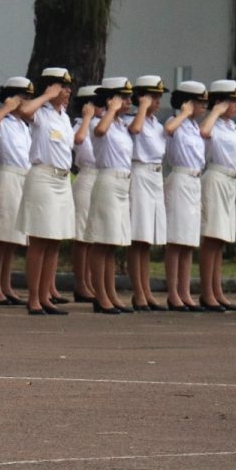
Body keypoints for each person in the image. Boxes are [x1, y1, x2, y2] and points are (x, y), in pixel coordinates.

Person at [16, 67, 75, 316]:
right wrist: (45, 96)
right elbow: (24, 111)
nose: (68, 91)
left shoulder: (63, 117)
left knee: (54, 240)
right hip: (43, 177)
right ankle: (33, 298)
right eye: (62, 86)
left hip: (62, 181)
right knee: (39, 240)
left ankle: (45, 295)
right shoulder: (41, 112)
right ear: (51, 88)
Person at [85, 77, 134, 314]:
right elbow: (100, 131)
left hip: (123, 183)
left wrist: (116, 113)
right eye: (123, 97)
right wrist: (111, 110)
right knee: (101, 241)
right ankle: (100, 295)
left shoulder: (122, 126)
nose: (128, 102)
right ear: (111, 99)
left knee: (113, 242)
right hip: (107, 181)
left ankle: (111, 292)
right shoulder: (99, 121)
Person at [199, 80, 236, 312]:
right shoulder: (213, 124)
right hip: (215, 177)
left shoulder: (231, 127)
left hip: (229, 181)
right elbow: (204, 132)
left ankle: (217, 290)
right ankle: (207, 293)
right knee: (212, 237)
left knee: (220, 240)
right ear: (220, 103)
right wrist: (215, 110)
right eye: (232, 101)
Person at [163, 80, 207, 311]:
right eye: (200, 102)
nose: (204, 107)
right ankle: (173, 293)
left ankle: (185, 291)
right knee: (176, 241)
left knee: (188, 241)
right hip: (179, 179)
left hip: (194, 180)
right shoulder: (175, 122)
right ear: (188, 103)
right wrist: (184, 113)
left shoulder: (193, 127)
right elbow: (168, 131)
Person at [0, 76, 32, 306]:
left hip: (23, 179)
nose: (27, 102)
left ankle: (6, 284)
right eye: (23, 97)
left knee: (14, 238)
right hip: (8, 177)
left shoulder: (24, 125)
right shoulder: (3, 120)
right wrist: (7, 106)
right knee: (2, 236)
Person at [127, 75, 169, 311]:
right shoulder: (132, 120)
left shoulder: (157, 125)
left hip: (154, 176)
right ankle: (138, 292)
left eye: (159, 97)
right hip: (140, 173)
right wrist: (142, 106)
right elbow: (135, 130)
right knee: (138, 238)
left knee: (147, 240)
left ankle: (147, 290)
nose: (158, 102)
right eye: (154, 97)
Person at [70, 85, 99, 303]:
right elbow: (79, 143)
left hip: (101, 178)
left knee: (93, 235)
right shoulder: (80, 126)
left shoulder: (104, 125)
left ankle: (90, 280)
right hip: (87, 177)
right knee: (81, 235)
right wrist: (87, 118)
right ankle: (81, 283)